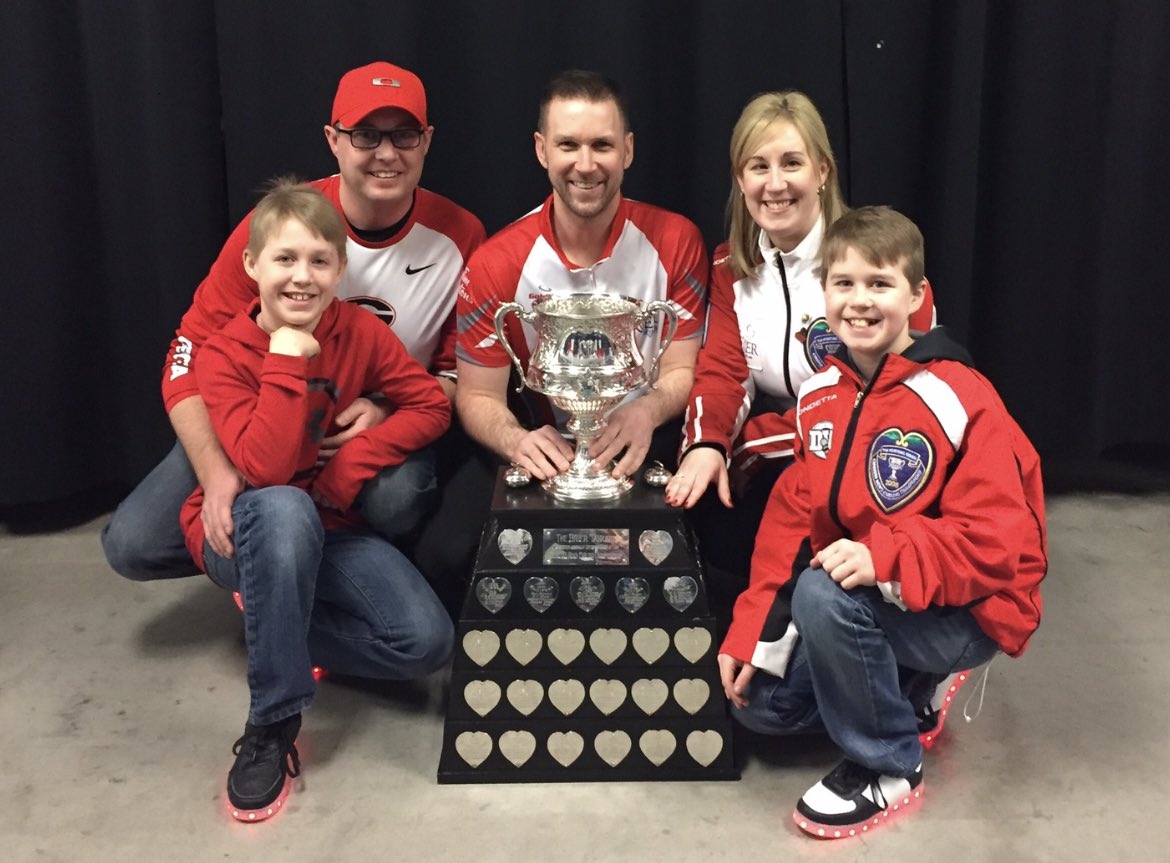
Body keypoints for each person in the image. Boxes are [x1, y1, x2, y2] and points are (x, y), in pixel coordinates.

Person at [716, 206, 1046, 838]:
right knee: (762, 706)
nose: (860, 302)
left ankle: (887, 764)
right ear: (824, 293)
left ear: (916, 296)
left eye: (880, 284)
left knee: (824, 591)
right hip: (878, 599)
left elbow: (1005, 543)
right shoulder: (819, 397)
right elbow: (792, 526)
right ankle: (911, 686)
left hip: (970, 609)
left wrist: (885, 554)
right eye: (843, 284)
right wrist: (751, 633)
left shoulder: (959, 394)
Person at [101, 61, 485, 582]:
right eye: (366, 135)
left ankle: (328, 576)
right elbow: (186, 351)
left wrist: (386, 407)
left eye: (405, 135)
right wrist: (216, 471)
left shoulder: (460, 233)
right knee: (135, 544)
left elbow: (458, 374)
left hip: (364, 424)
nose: (387, 153)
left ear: (427, 140)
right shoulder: (281, 225)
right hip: (258, 417)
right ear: (333, 139)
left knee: (397, 499)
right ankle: (285, 572)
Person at [185, 179, 454, 821]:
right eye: (284, 259)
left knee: (426, 644)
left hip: (330, 524)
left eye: (319, 261)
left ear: (340, 269)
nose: (301, 278)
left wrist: (355, 458)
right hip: (246, 530)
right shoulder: (223, 353)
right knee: (283, 508)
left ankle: (274, 621)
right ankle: (271, 724)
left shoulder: (358, 330)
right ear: (252, 266)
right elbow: (267, 473)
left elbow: (429, 406)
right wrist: (285, 358)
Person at [424, 70, 708, 605]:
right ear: (540, 150)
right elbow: (478, 395)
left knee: (702, 548)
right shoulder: (496, 262)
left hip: (649, 433)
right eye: (568, 145)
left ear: (627, 150)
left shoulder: (676, 240)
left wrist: (647, 412)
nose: (585, 164)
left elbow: (679, 373)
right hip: (545, 436)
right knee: (445, 553)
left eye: (602, 145)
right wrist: (516, 442)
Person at [664, 92, 936, 604]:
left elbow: (886, 404)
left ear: (823, 171)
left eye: (792, 163)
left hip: (870, 452)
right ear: (739, 179)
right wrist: (707, 446)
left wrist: (754, 443)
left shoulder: (876, 264)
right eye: (758, 166)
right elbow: (724, 372)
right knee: (699, 508)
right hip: (782, 452)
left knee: (796, 535)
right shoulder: (728, 267)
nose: (775, 184)